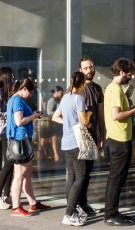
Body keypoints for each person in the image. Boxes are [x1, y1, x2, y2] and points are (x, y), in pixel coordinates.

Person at [103, 57, 135, 226]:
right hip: (119, 138)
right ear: (122, 72)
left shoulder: (112, 88)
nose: (131, 77)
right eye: (129, 74)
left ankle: (112, 211)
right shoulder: (115, 89)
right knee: (117, 177)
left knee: (116, 177)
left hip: (118, 137)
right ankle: (110, 214)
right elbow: (116, 115)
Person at [52, 72, 90, 226]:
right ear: (82, 84)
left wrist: (68, 123)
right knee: (81, 177)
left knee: (71, 177)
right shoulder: (79, 99)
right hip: (76, 143)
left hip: (66, 142)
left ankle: (71, 210)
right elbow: (84, 122)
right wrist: (90, 114)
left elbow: (54, 116)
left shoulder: (65, 98)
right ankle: (69, 212)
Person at [7, 78, 49, 217]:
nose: (31, 95)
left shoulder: (14, 99)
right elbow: (19, 121)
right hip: (21, 141)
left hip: (20, 140)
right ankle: (15, 207)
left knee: (26, 175)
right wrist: (34, 115)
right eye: (30, 92)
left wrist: (32, 115)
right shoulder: (18, 100)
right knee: (19, 175)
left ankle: (32, 202)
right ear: (24, 88)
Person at [76, 56, 102, 216]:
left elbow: (100, 114)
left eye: (91, 67)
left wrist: (102, 133)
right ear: (80, 70)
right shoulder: (77, 87)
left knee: (88, 171)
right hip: (79, 135)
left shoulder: (98, 88)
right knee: (79, 173)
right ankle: (76, 204)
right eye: (86, 68)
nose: (89, 70)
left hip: (93, 134)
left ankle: (83, 202)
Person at [0, 67, 15, 210]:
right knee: (8, 163)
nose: (13, 78)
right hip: (4, 130)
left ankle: (6, 195)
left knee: (11, 162)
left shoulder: (8, 92)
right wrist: (12, 113)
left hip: (11, 130)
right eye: (11, 76)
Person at [46, 86, 64, 162]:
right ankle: (56, 155)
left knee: (58, 139)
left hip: (58, 123)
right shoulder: (51, 100)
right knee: (54, 139)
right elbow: (49, 112)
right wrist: (59, 114)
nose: (62, 94)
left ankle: (58, 155)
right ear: (57, 92)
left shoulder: (59, 100)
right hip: (53, 123)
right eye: (61, 93)